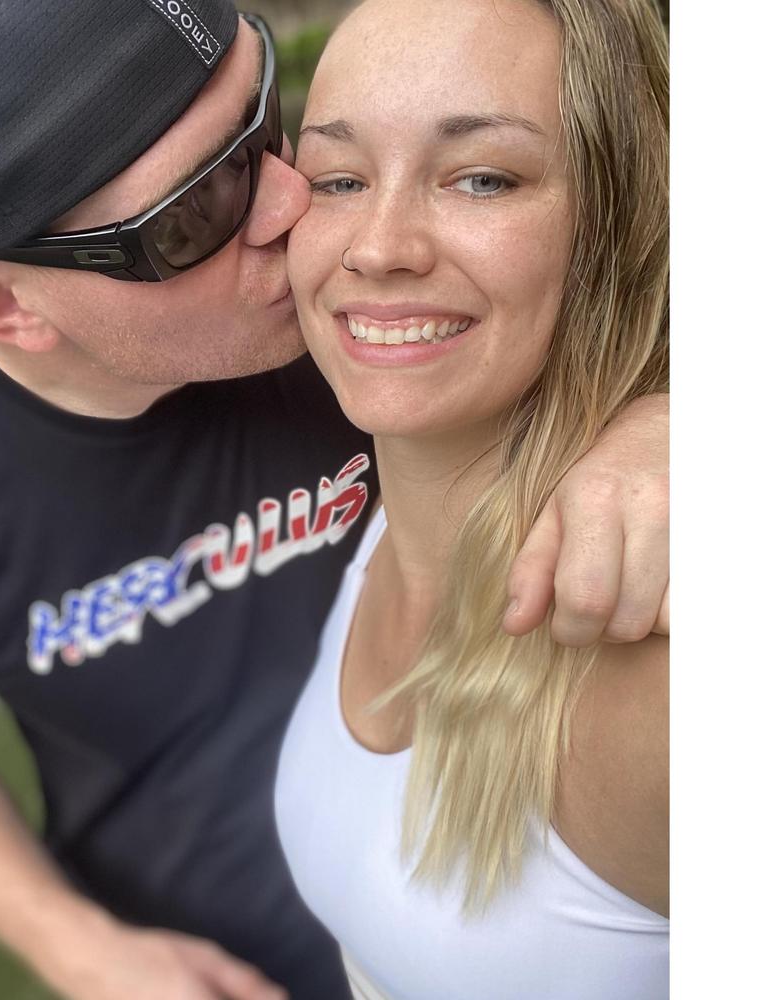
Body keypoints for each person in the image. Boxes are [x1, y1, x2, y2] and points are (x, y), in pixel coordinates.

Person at [0, 1, 669, 998]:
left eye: (267, 120)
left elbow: (620, 255)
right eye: (196, 211)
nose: (295, 210)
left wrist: (666, 415)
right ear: (2, 303)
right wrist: (75, 945)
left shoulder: (380, 320)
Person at [275, 0, 669, 997]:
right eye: (338, 179)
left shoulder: (658, 684)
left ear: (625, 218)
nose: (379, 247)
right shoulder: (378, 515)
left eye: (482, 177)